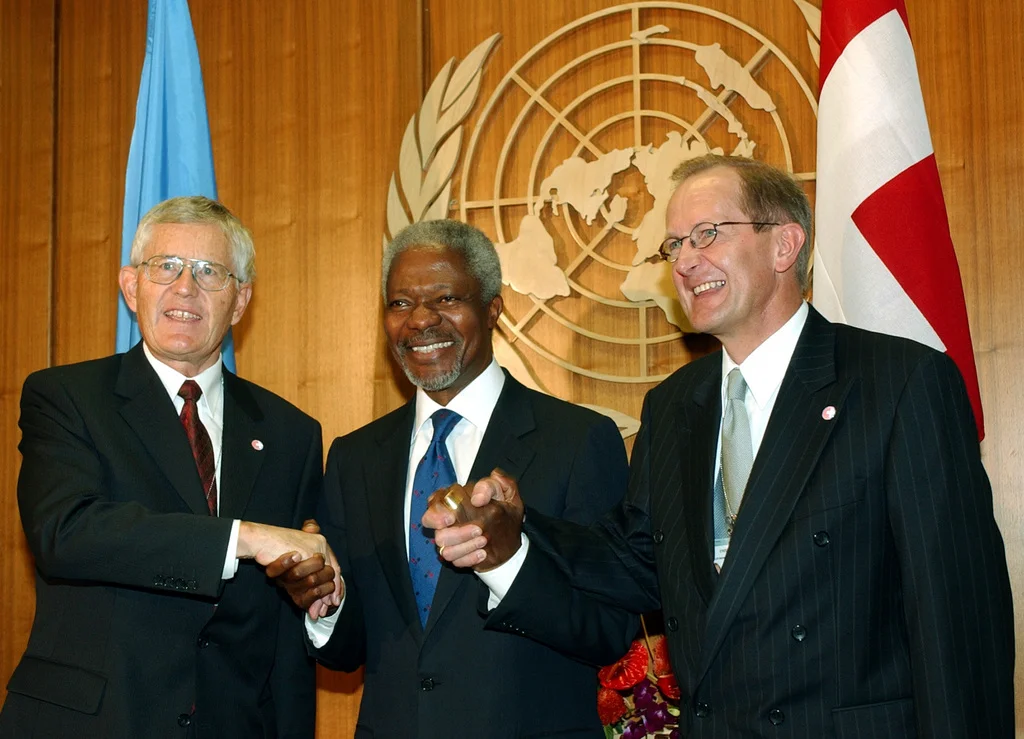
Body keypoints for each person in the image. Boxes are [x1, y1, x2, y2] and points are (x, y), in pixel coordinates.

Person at [426, 155, 1015, 737]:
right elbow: (640, 564)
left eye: (707, 234)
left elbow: (957, 623)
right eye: (674, 245)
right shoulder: (675, 404)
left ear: (785, 246)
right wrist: (519, 524)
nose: (684, 260)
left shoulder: (898, 383)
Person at [270, 219, 635, 738]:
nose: (420, 320)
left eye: (445, 298)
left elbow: (608, 631)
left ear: (492, 308)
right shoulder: (355, 458)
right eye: (400, 304)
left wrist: (509, 563)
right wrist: (323, 602)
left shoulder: (578, 441)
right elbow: (350, 651)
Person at [1, 196, 339, 739]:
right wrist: (243, 538)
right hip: (94, 723)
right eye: (167, 267)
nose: (186, 287)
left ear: (239, 301)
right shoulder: (66, 397)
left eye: (210, 272)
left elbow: (283, 636)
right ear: (131, 288)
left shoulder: (291, 434)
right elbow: (64, 533)